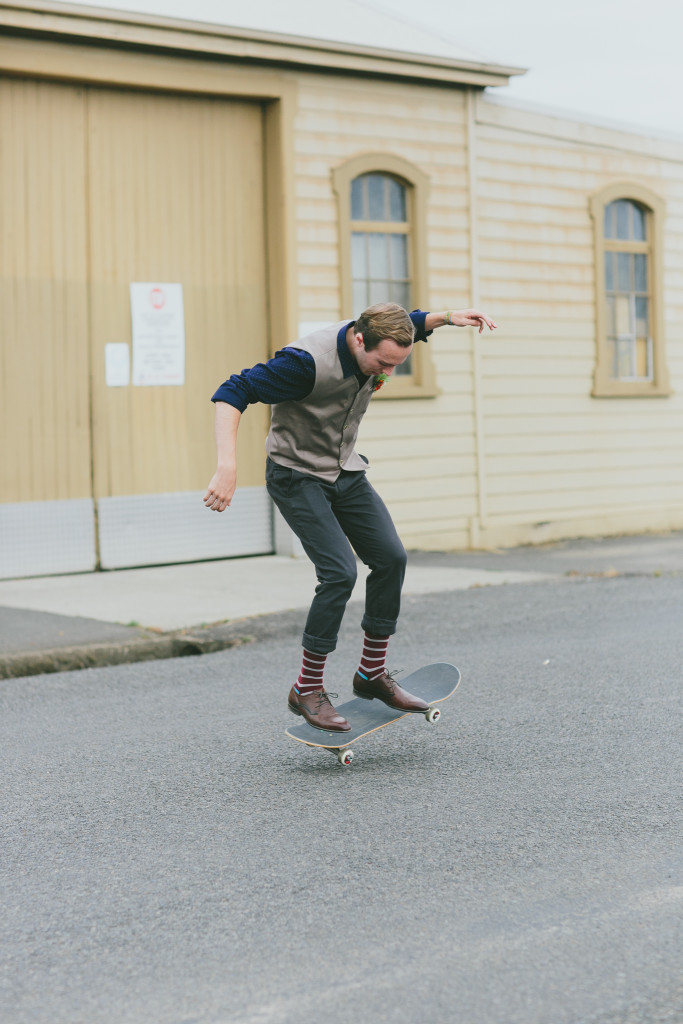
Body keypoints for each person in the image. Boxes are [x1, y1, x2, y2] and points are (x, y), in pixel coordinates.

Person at [204, 303, 497, 732]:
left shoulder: (385, 337)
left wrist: (452, 317)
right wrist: (227, 466)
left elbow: (416, 321)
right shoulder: (303, 365)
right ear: (359, 339)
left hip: (344, 469)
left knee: (391, 558)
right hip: (296, 474)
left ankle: (371, 674)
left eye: (398, 364)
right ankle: (306, 688)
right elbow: (232, 392)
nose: (389, 372)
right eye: (383, 364)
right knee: (340, 573)